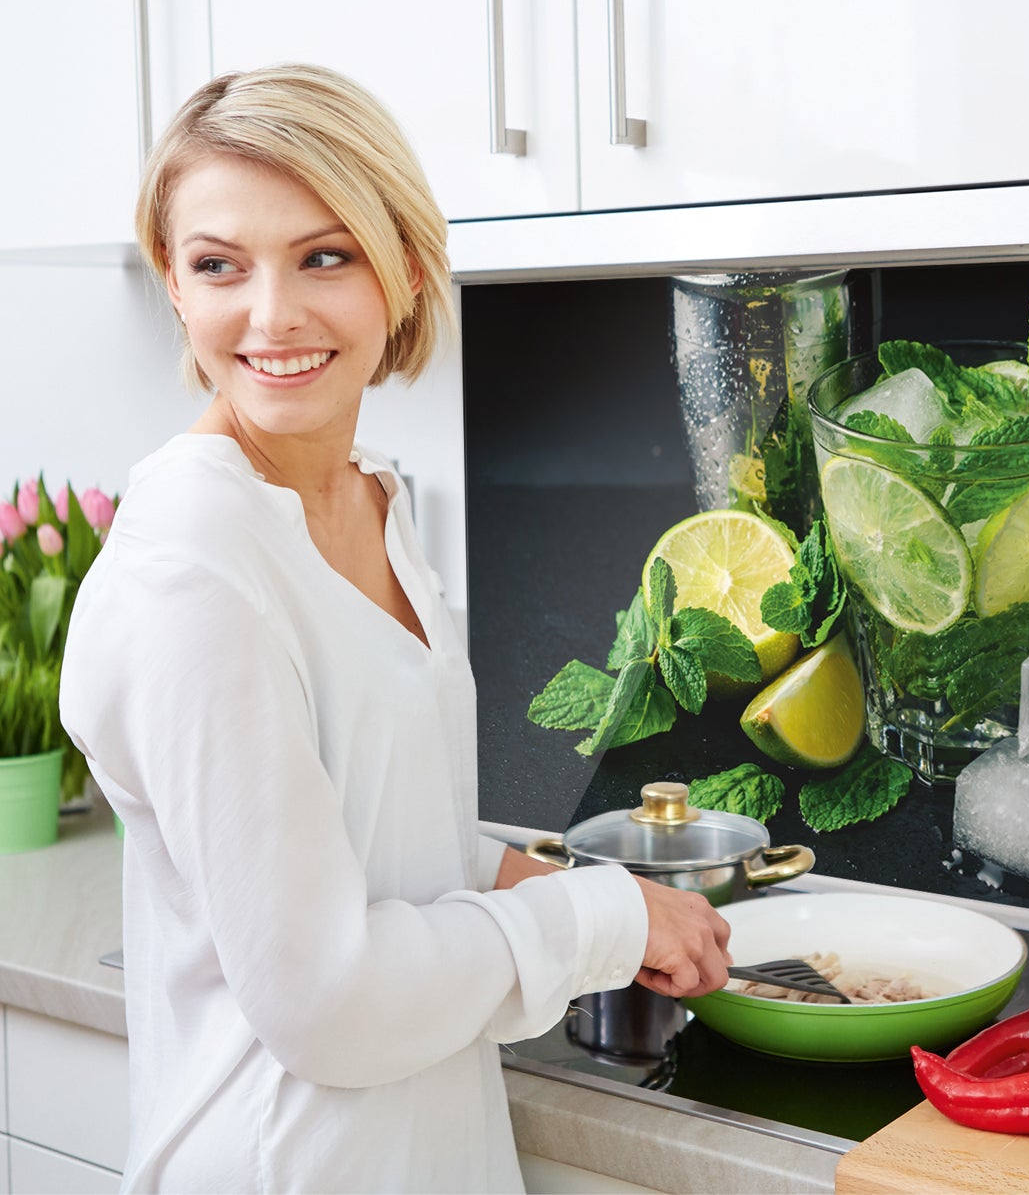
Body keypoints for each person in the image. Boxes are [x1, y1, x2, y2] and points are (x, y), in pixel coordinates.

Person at [60, 64, 732, 1194]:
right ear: (175, 288)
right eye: (219, 265)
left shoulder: (368, 497)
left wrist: (540, 881)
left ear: (406, 270)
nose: (270, 314)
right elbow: (329, 1001)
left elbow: (368, 828)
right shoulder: (195, 570)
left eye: (324, 256)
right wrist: (604, 916)